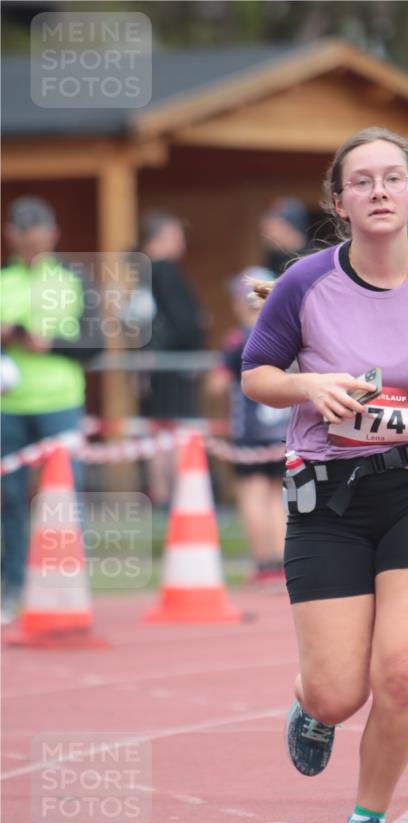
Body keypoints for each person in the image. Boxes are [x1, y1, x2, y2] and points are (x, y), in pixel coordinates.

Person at [241, 126, 408, 823]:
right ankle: (308, 705)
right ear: (339, 203)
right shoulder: (303, 285)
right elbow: (255, 374)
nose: (378, 191)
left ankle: (365, 820)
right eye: (362, 182)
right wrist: (307, 384)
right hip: (327, 501)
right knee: (337, 693)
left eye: (392, 178)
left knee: (399, 671)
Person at [1, 197, 101, 624]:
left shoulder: (74, 279)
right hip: (9, 405)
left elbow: (95, 343)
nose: (31, 239)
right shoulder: (4, 280)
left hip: (60, 402)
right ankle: (13, 586)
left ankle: (64, 584)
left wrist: (51, 344)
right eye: (23, 232)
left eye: (39, 231)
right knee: (9, 500)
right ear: (11, 235)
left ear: (54, 234)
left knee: (62, 497)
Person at [206, 267, 288, 585]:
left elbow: (216, 384)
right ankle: (282, 562)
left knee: (253, 494)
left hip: (250, 431)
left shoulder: (238, 339)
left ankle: (264, 563)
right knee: (276, 495)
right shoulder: (284, 334)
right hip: (281, 429)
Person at [137, 211, 206, 505]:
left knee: (159, 430)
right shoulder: (162, 270)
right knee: (172, 431)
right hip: (170, 366)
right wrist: (197, 331)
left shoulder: (140, 272)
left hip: (154, 365)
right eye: (176, 236)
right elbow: (184, 322)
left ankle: (164, 496)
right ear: (159, 239)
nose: (181, 243)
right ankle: (172, 498)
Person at [259, 197, 311, 276]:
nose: (265, 235)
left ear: (287, 228)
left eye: (270, 229)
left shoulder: (312, 258)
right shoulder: (274, 257)